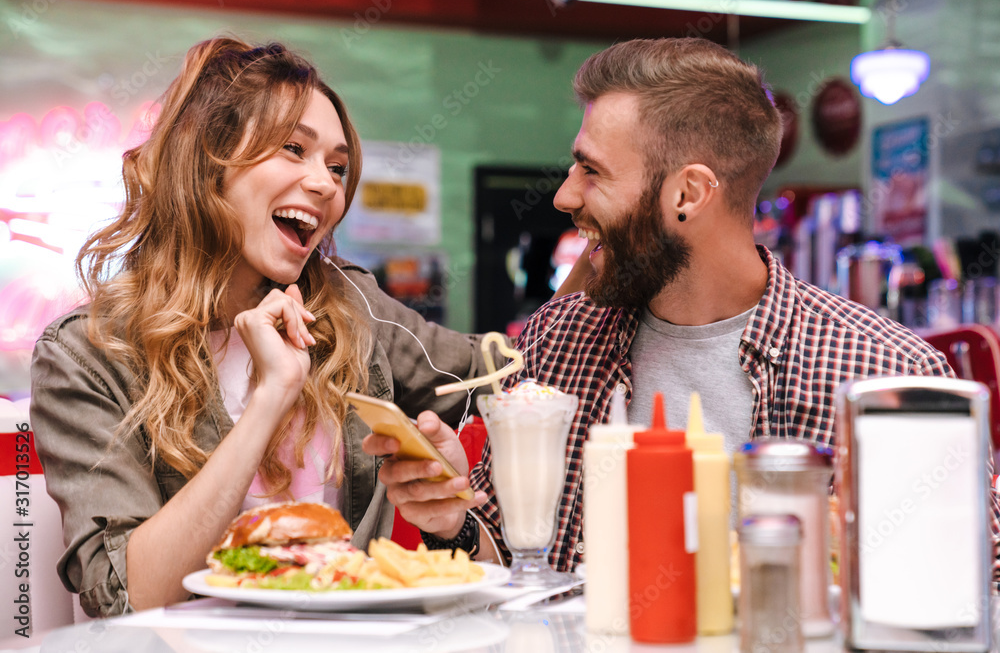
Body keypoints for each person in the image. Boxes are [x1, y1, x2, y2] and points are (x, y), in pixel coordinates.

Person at [366, 37, 998, 579]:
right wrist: (453, 519)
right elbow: (508, 566)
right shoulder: (561, 338)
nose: (563, 195)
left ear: (688, 195)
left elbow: (970, 588)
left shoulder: (882, 372)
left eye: (591, 171)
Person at [29, 38, 491, 617]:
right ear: (207, 162)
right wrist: (271, 398)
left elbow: (505, 375)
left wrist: (608, 253)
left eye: (338, 166)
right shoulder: (88, 353)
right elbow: (124, 596)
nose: (326, 184)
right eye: (294, 149)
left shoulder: (348, 307)